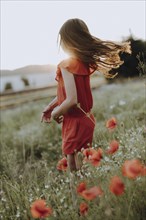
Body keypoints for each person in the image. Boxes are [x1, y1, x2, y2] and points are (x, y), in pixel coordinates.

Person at [41, 18, 131, 172]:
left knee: (72, 160)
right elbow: (67, 95)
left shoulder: (66, 65)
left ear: (68, 40)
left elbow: (71, 99)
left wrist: (56, 113)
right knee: (82, 158)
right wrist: (50, 106)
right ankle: (85, 187)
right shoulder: (82, 63)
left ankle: (76, 194)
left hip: (74, 121)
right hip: (86, 118)